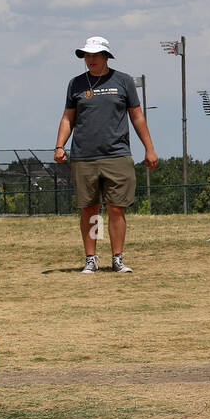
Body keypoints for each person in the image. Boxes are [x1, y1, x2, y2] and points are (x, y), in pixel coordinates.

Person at [53, 36, 158, 274]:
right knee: (90, 209)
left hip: (117, 155)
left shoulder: (123, 81)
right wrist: (60, 145)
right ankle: (91, 258)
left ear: (106, 57)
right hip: (84, 157)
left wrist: (149, 148)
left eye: (95, 55)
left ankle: (117, 258)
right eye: (87, 55)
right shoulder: (76, 84)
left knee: (116, 208)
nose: (90, 59)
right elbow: (68, 117)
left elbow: (137, 116)